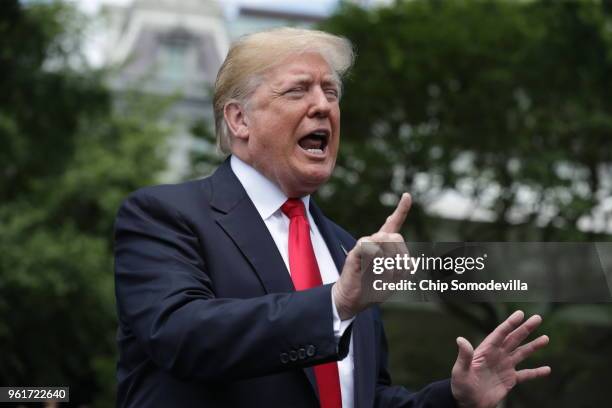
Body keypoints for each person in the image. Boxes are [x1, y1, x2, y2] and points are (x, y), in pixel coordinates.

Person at [113, 27, 550, 408]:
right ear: (239, 118)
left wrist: (453, 399)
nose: (323, 106)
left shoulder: (347, 249)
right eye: (298, 90)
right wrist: (335, 303)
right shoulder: (164, 215)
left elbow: (362, 397)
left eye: (331, 92)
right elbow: (181, 336)